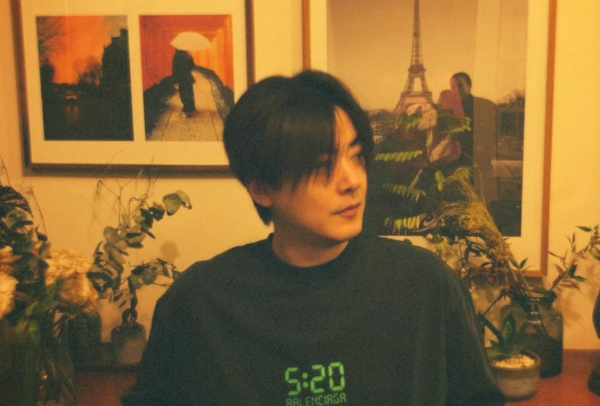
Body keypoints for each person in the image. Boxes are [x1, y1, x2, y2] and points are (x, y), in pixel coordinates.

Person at [121, 70, 505, 406]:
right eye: (323, 165)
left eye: (356, 156)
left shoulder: (425, 285)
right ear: (261, 187)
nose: (352, 181)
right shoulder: (198, 302)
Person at [450, 72, 499, 203]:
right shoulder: (449, 109)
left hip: (478, 159)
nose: (456, 90)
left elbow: (490, 132)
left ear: (469, 85)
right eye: (453, 87)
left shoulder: (482, 106)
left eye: (460, 85)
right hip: (458, 161)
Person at [172, 49, 196, 118]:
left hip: (181, 78)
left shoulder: (176, 56)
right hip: (188, 77)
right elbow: (193, 66)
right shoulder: (188, 56)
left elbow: (174, 69)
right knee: (189, 93)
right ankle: (190, 108)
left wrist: (174, 80)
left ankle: (186, 110)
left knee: (183, 93)